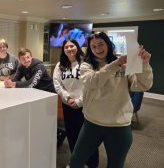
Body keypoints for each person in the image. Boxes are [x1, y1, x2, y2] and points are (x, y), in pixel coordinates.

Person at [70, 32, 153, 168]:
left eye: (101, 44)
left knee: (115, 165)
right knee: (76, 160)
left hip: (119, 126)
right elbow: (93, 82)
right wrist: (115, 64)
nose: (97, 48)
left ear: (108, 44)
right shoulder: (86, 66)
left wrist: (144, 65)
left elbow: (142, 85)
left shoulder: (124, 65)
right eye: (93, 46)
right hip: (92, 123)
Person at [53, 39, 99, 168]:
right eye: (66, 47)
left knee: (88, 137)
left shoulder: (86, 63)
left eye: (72, 46)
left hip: (86, 105)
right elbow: (57, 84)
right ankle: (76, 162)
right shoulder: (59, 65)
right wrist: (68, 99)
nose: (69, 49)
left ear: (77, 47)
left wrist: (79, 101)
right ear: (63, 50)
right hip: (68, 106)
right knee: (72, 136)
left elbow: (92, 85)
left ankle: (91, 164)